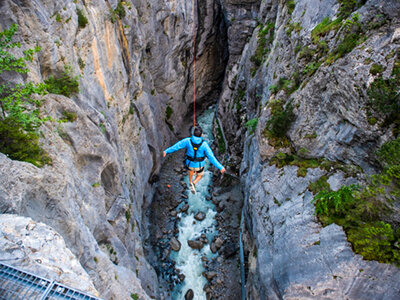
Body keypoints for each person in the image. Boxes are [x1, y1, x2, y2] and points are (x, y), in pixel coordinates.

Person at [163, 126, 226, 194]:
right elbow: (211, 157)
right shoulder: (204, 145)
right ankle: (193, 183)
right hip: (199, 165)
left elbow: (177, 146)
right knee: (200, 175)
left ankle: (190, 181)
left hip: (189, 163)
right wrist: (220, 167)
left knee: (191, 170)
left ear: (193, 134)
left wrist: (166, 151)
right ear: (201, 135)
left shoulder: (187, 141)